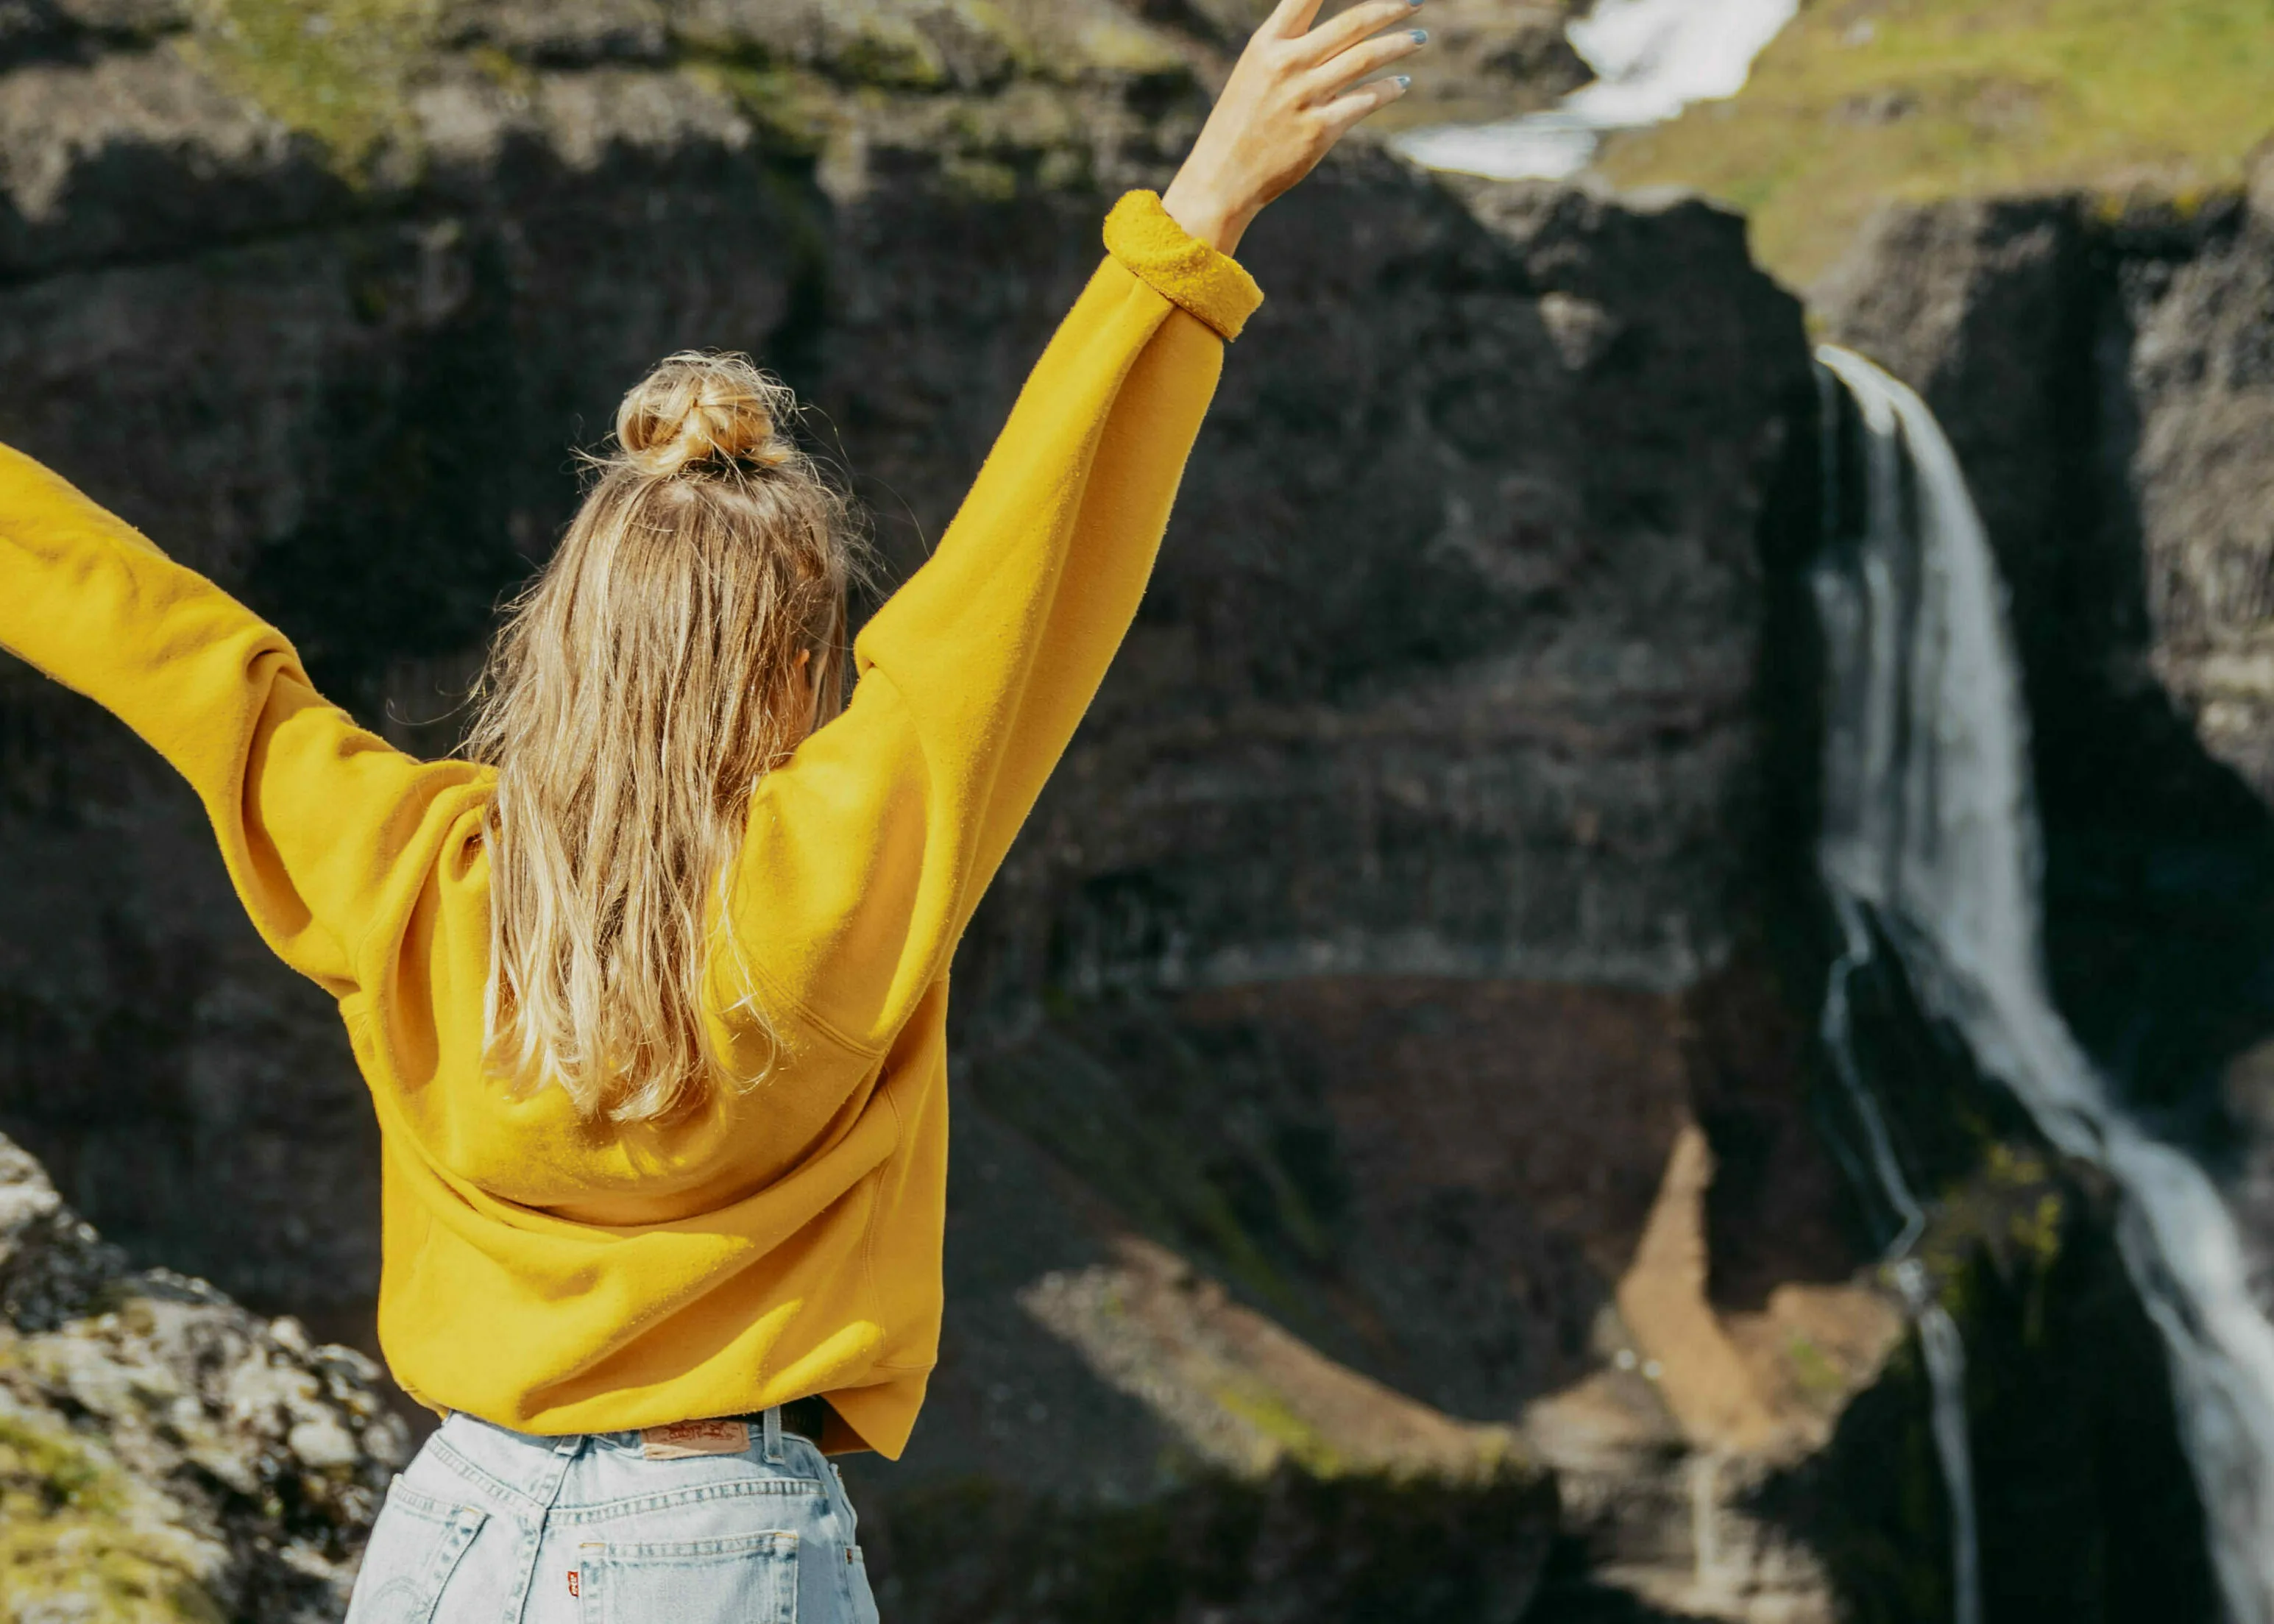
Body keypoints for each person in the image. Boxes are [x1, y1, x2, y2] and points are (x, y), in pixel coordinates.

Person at [0, 2, 1428, 1617]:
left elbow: (180, 653)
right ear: (797, 666)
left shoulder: (404, 862)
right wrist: (1195, 224)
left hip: (454, 1522)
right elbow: (1024, 565)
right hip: (713, 1545)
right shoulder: (841, 863)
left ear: (566, 634)